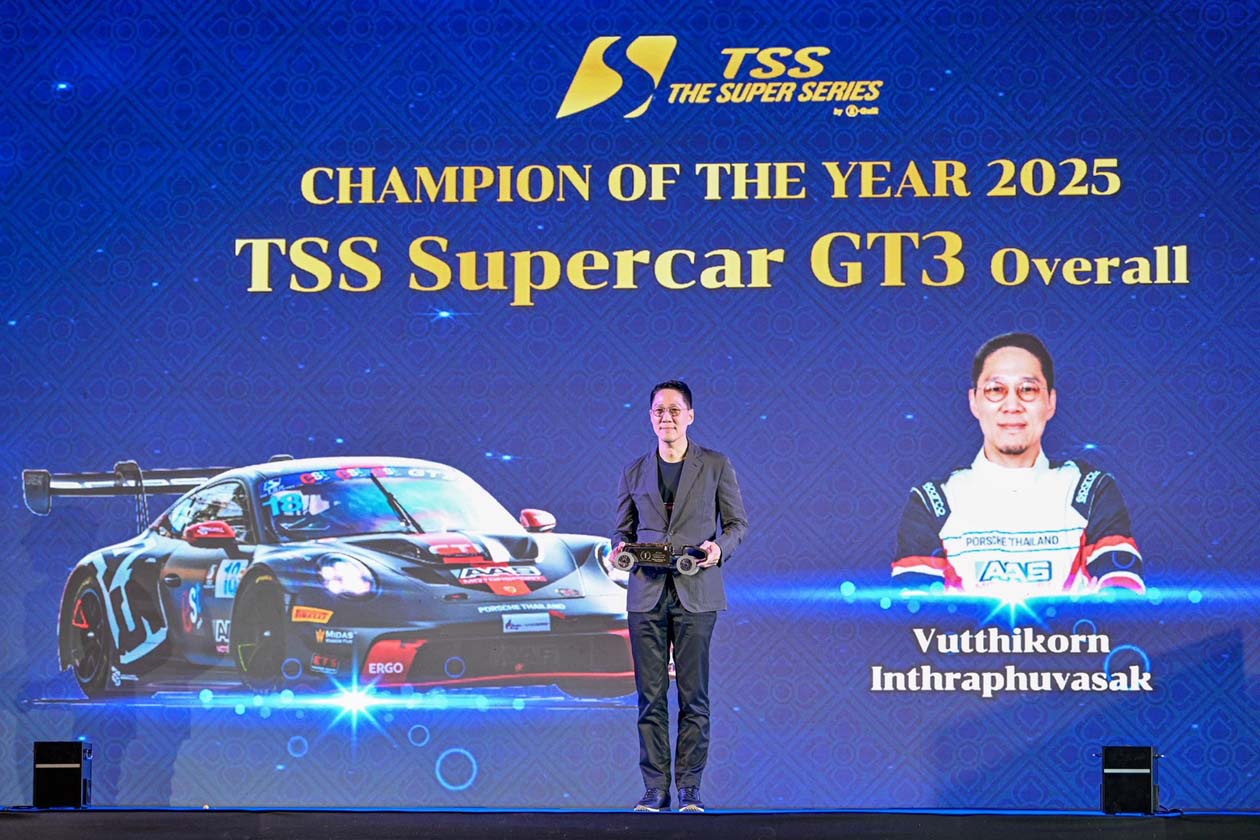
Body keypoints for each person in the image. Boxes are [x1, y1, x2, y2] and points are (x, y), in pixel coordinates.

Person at [892, 333, 1144, 596]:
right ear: (974, 402)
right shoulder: (933, 502)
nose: (1012, 405)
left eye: (1028, 390)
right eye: (995, 390)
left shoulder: (1090, 491)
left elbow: (1123, 602)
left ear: (1050, 402)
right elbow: (914, 612)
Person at [612, 380, 748, 813]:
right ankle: (655, 790)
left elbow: (737, 525)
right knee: (649, 698)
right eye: (658, 410)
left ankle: (690, 788)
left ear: (690, 415)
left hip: (697, 593)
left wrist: (718, 549)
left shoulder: (716, 465)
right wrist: (619, 550)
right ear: (650, 417)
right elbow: (622, 531)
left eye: (674, 410)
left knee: (694, 697)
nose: (666, 417)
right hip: (646, 596)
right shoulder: (634, 470)